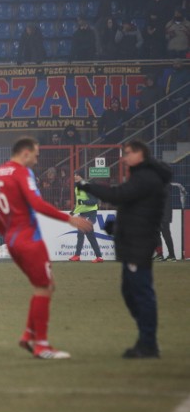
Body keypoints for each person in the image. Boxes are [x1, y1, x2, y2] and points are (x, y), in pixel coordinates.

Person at [0, 136, 93, 360]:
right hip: (30, 239)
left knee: (44, 285)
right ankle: (41, 346)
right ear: (25, 153)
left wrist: (6, 234)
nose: (36, 160)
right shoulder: (22, 172)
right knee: (44, 287)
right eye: (36, 155)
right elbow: (36, 204)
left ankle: (28, 335)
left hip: (14, 240)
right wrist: (69, 220)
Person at [76, 140, 172, 358]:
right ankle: (146, 340)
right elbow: (135, 208)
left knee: (140, 294)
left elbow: (118, 196)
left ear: (140, 154)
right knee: (131, 292)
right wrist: (118, 227)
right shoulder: (144, 176)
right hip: (134, 241)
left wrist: (87, 185)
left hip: (139, 243)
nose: (124, 157)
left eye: (128, 153)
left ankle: (148, 343)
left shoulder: (146, 177)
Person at [69, 171, 104, 263]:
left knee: (81, 233)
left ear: (82, 177)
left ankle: (77, 255)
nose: (75, 176)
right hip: (83, 214)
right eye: (74, 175)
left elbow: (94, 201)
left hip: (91, 213)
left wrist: (83, 203)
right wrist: (74, 212)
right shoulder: (77, 187)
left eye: (77, 175)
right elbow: (79, 202)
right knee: (89, 235)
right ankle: (99, 257)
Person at [154, 180, 177, 262]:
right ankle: (160, 254)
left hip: (163, 215)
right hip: (162, 214)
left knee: (166, 234)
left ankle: (171, 255)